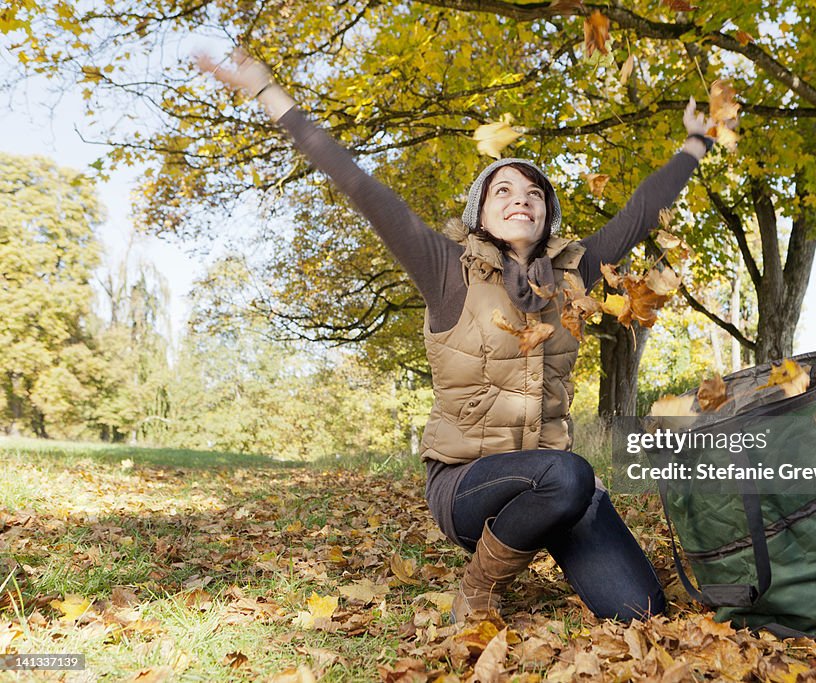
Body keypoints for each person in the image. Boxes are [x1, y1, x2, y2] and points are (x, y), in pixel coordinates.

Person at [197, 47, 716, 622]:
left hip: (553, 483)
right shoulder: (446, 269)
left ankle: (554, 530)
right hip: (468, 483)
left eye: (534, 193)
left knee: (641, 610)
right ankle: (479, 585)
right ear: (479, 215)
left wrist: (696, 141)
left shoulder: (575, 275)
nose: (521, 198)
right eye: (504, 191)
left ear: (547, 216)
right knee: (571, 473)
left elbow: (641, 211)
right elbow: (358, 183)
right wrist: (269, 92)